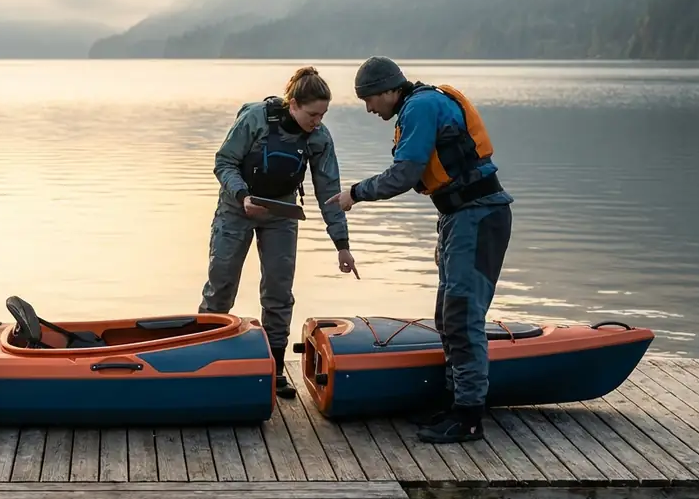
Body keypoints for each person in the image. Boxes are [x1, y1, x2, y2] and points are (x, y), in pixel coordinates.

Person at [326, 56, 513, 444]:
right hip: (458, 217)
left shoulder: (422, 106)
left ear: (390, 90)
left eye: (371, 99)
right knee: (446, 317)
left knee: (462, 317)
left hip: (478, 217)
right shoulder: (420, 104)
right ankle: (455, 403)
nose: (369, 109)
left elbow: (406, 173)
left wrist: (355, 195)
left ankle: (470, 418)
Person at [200, 67, 358, 399]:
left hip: (281, 213)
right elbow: (224, 162)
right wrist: (243, 197)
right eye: (313, 114)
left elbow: (329, 191)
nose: (318, 120)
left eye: (323, 114)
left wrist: (342, 245)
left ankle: (272, 368)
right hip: (236, 208)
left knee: (278, 291)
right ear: (294, 104)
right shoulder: (256, 119)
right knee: (221, 285)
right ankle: (204, 358)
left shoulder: (319, 138)